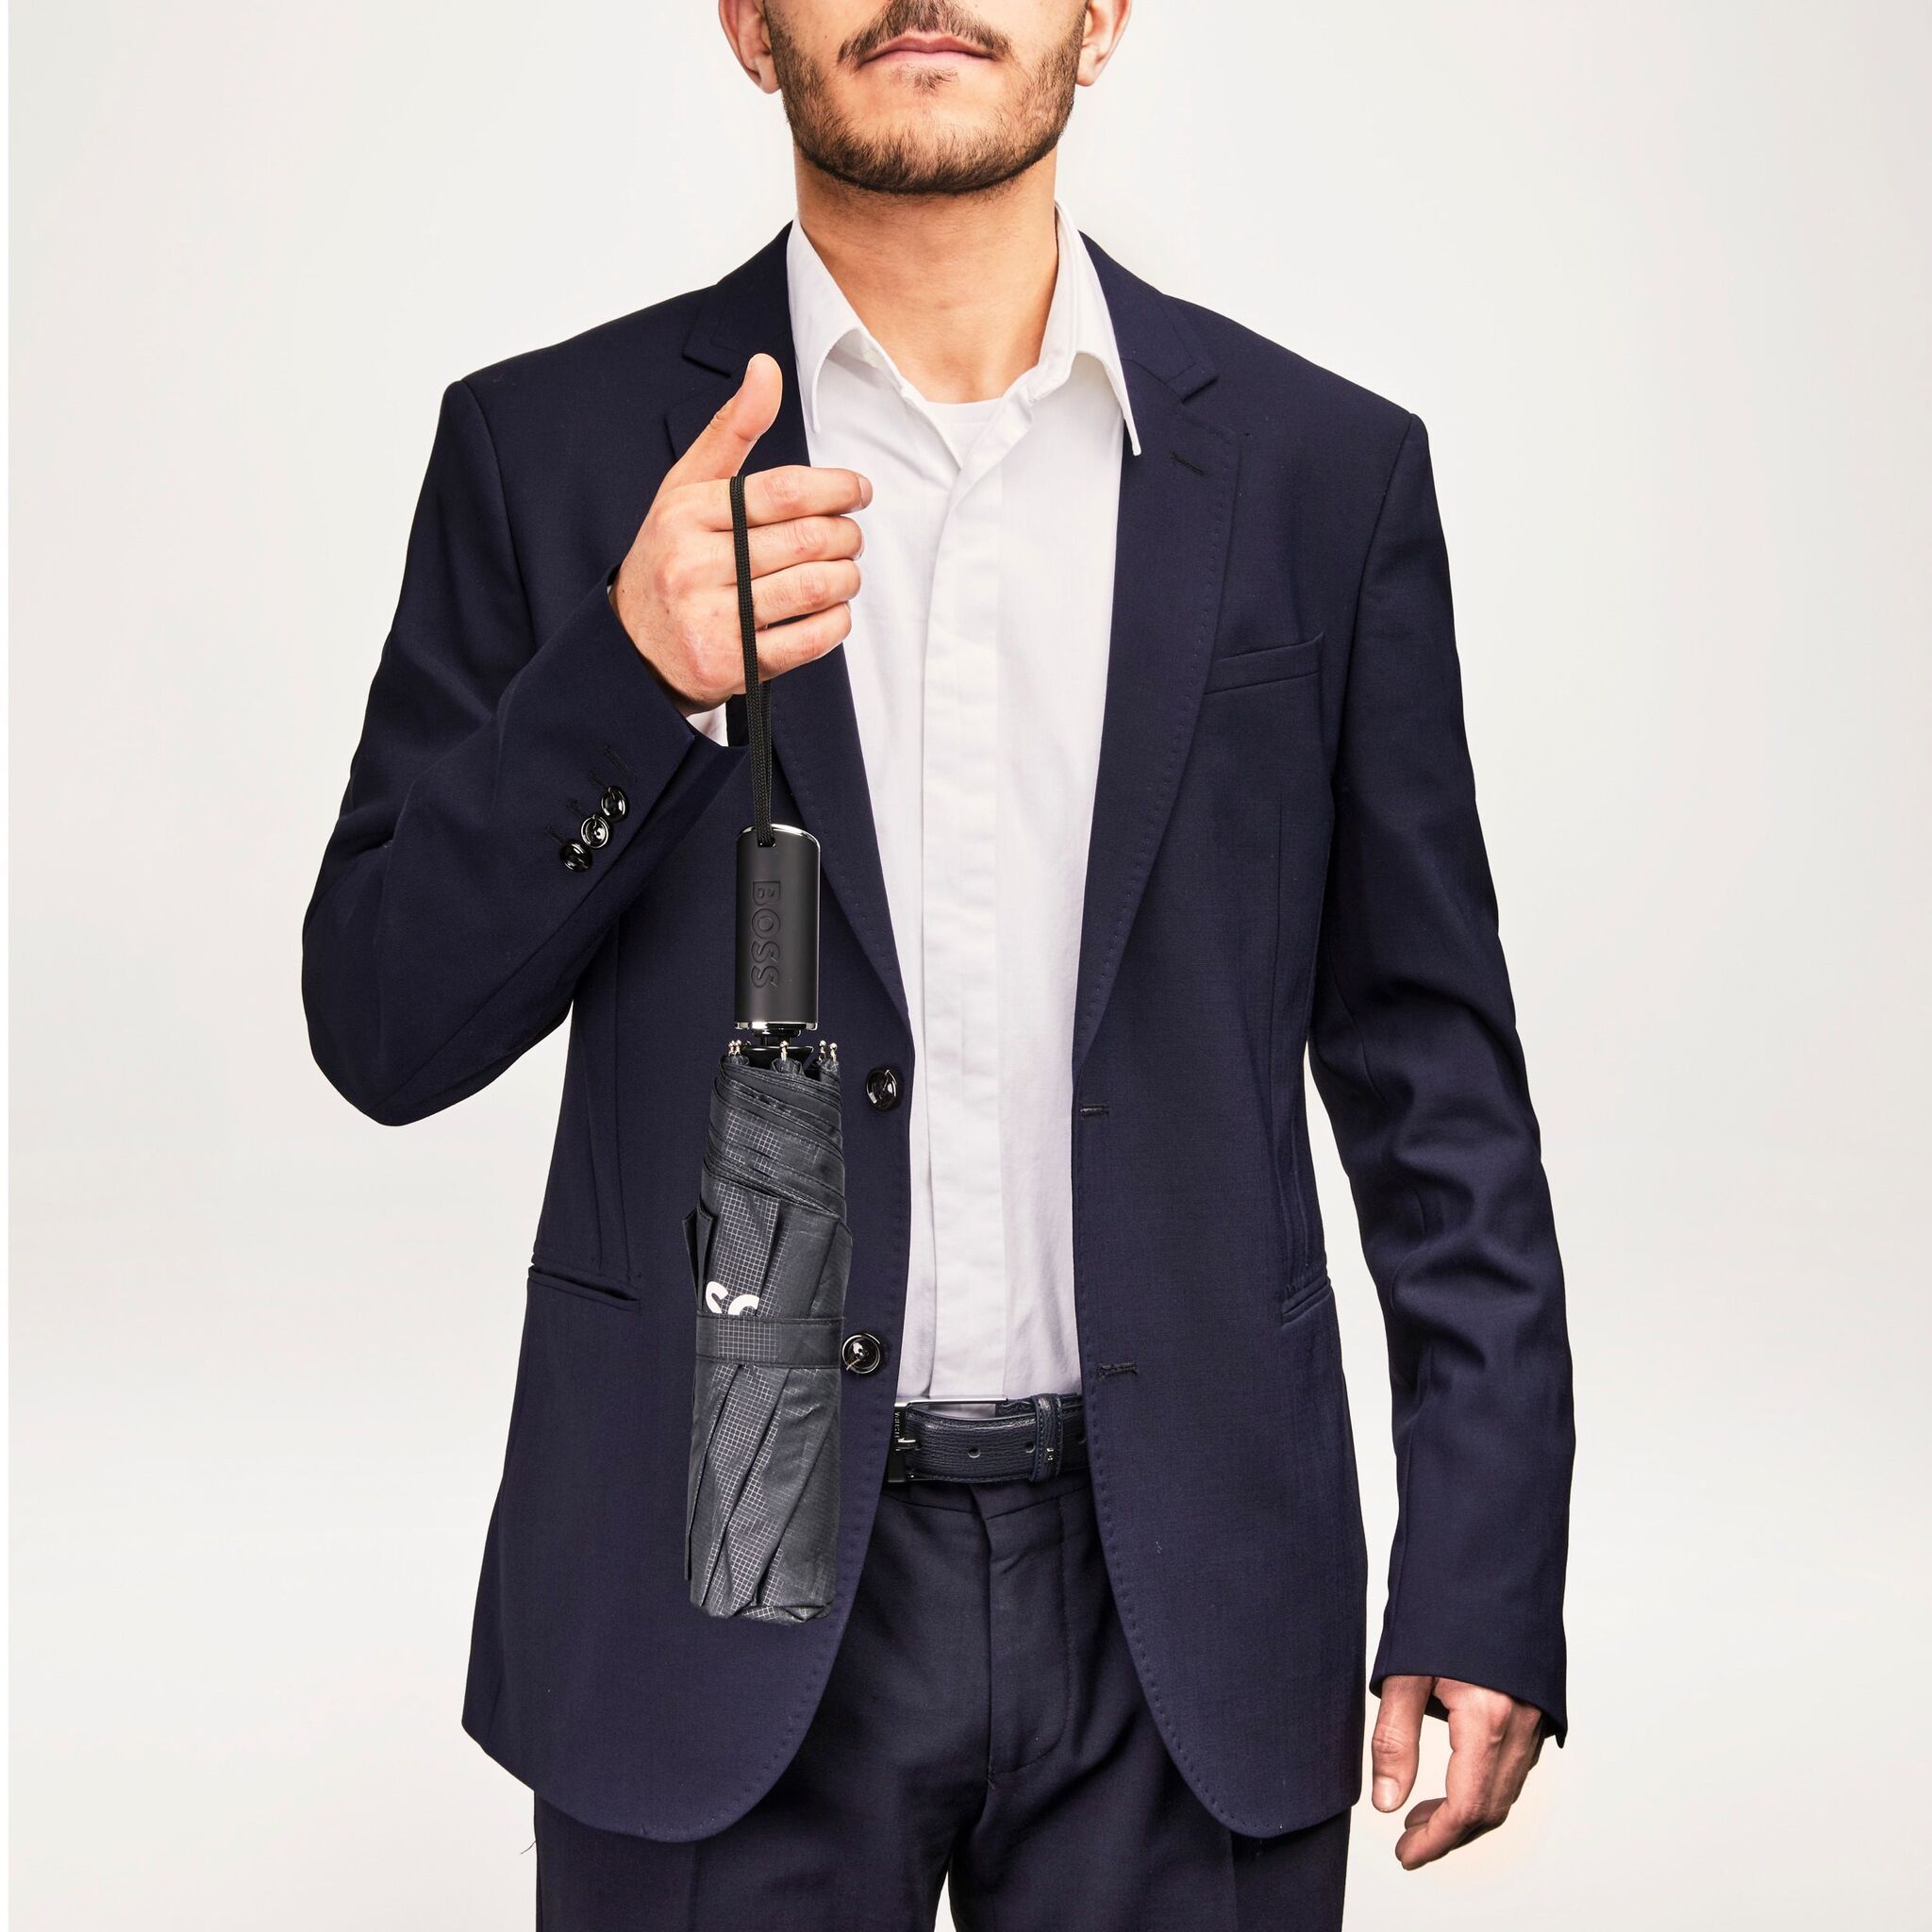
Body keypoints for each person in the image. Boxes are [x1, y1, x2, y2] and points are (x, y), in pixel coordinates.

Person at [302, 1, 1574, 1924]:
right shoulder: (546, 453)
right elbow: (382, 1027)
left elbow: (1435, 1080)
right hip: (708, 1577)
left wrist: (1484, 1555)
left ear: (1103, 14)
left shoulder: (1323, 475)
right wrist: (626, 681)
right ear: (749, 23)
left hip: (1191, 1588)